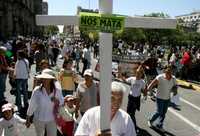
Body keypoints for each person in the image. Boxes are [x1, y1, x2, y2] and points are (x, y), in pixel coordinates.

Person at [26, 69, 64, 136]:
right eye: (43, 78)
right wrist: (28, 117)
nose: (44, 80)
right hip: (38, 118)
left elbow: (62, 102)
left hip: (52, 119)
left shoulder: (57, 90)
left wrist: (57, 101)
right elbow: (32, 104)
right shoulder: (37, 90)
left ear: (51, 80)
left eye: (47, 78)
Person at [146, 65, 177, 132]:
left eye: (170, 71)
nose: (169, 72)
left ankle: (159, 125)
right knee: (159, 112)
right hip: (159, 97)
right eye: (167, 71)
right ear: (165, 71)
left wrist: (175, 91)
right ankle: (150, 120)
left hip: (167, 98)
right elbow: (151, 84)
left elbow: (175, 87)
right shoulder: (160, 77)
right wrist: (147, 90)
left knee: (163, 113)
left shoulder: (173, 79)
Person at [126, 65, 146, 132]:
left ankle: (134, 127)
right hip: (130, 98)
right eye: (137, 73)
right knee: (128, 112)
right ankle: (129, 124)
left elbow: (144, 90)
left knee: (132, 113)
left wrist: (144, 95)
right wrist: (120, 75)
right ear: (135, 73)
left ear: (141, 74)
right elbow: (125, 81)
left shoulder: (142, 82)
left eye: (139, 73)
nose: (138, 75)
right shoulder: (132, 79)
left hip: (136, 99)